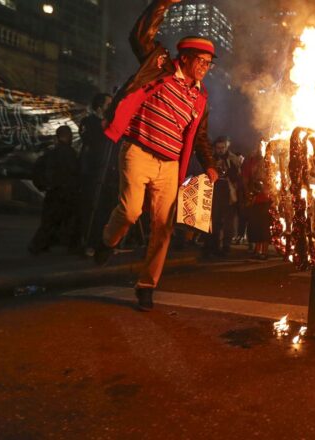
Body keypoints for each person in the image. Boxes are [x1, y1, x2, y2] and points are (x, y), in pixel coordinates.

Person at [95, 0, 218, 311]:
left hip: (169, 165)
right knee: (130, 211)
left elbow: (200, 136)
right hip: (138, 151)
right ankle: (108, 241)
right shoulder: (159, 65)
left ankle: (147, 286)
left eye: (209, 63)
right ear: (185, 57)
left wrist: (210, 165)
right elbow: (139, 36)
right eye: (201, 61)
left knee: (163, 227)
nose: (205, 67)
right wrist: (161, 4)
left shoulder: (200, 97)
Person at [29, 125, 80, 255]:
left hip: (53, 191)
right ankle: (43, 245)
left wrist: (44, 185)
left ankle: (41, 245)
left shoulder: (51, 153)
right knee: (67, 220)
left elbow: (38, 169)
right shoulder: (70, 153)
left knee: (49, 221)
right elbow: (75, 173)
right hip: (66, 192)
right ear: (68, 136)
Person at [79, 93, 114, 255]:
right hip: (92, 172)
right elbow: (90, 140)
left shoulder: (110, 124)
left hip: (107, 173)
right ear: (100, 107)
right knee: (90, 208)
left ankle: (102, 241)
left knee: (105, 209)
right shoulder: (89, 122)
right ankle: (87, 242)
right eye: (108, 105)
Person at [204, 136, 242, 258]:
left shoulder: (232, 159)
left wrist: (228, 169)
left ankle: (226, 246)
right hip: (215, 192)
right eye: (218, 148)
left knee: (228, 222)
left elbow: (237, 176)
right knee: (215, 221)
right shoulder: (211, 159)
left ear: (226, 147)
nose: (220, 150)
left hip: (228, 193)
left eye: (222, 147)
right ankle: (215, 245)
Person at [242, 145, 273, 259]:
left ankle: (264, 251)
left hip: (267, 199)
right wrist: (248, 193)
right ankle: (257, 249)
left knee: (264, 225)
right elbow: (245, 178)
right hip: (254, 199)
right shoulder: (250, 161)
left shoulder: (270, 162)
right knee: (255, 225)